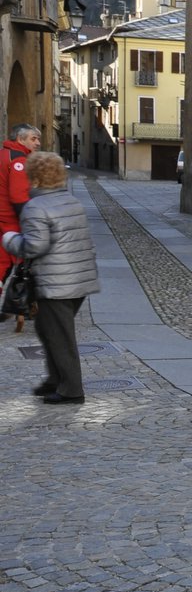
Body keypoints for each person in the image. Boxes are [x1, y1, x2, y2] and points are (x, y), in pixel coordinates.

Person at [1, 152, 98, 404]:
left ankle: (71, 390)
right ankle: (55, 380)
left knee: (59, 336)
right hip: (78, 279)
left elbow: (35, 246)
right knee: (47, 329)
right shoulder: (70, 201)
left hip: (57, 282)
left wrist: (10, 239)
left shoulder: (36, 207)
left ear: (33, 177)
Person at [0, 124, 40, 279]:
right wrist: (32, 223)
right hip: (8, 223)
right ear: (20, 139)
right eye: (33, 139)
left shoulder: (3, 153)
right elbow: (19, 197)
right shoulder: (18, 160)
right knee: (4, 265)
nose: (37, 143)